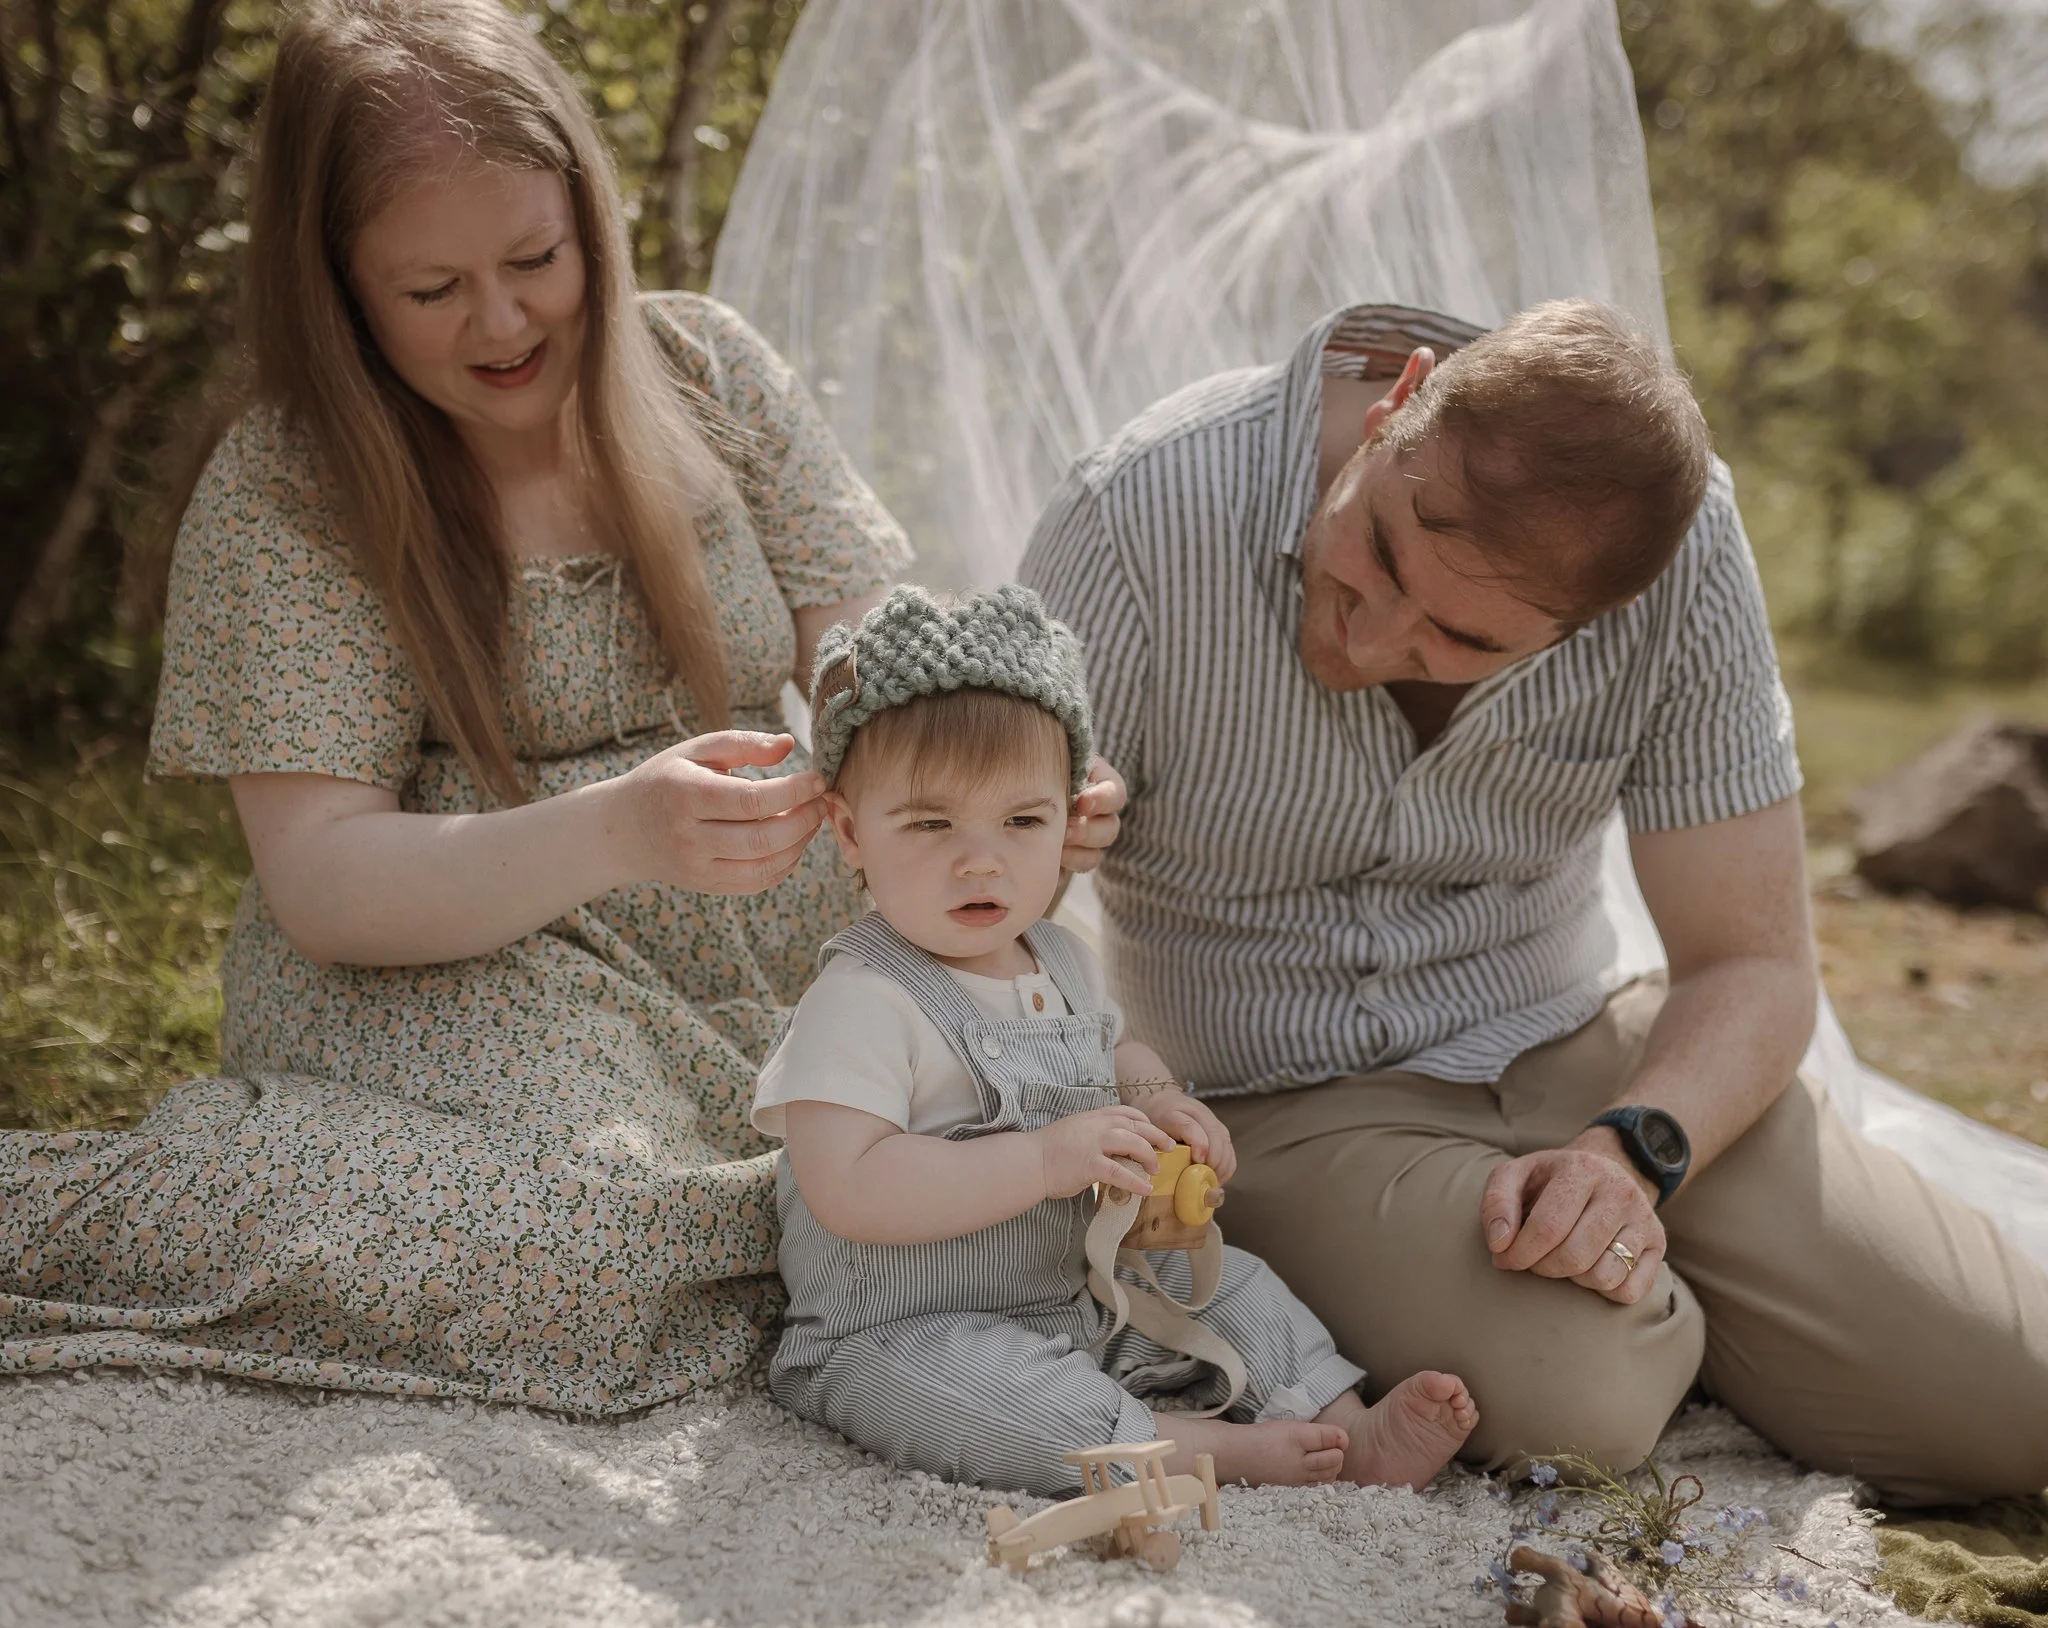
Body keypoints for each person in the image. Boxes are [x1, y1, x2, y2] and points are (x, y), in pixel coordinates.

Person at [0, 0, 1134, 1412]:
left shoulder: (706, 372)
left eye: (536, 260)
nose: (503, 321)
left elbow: (872, 663)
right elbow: (326, 884)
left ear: (590, 222)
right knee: (606, 1241)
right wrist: (619, 828)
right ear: (337, 287)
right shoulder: (292, 487)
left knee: (977, 1126)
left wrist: (1006, 769)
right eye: (432, 289)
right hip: (463, 958)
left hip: (758, 926)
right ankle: (97, 1203)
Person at [1021, 298, 2048, 1506]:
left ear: (1589, 627)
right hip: (1284, 1100)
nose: (1371, 635)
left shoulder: (1682, 556)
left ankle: (1669, 1287)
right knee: (1587, 1397)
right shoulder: (1135, 513)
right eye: (1378, 547)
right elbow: (956, 896)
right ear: (1398, 404)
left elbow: (1750, 963)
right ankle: (1660, 1320)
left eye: (1460, 636)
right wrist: (1034, 834)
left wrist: (1632, 1152)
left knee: (2008, 1410)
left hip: (1591, 1048)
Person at [752, 584, 1479, 1496]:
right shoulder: (861, 998)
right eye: (931, 824)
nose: (981, 860)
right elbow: (850, 1188)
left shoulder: (1062, 958)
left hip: (1075, 1287)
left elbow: (1117, 1054)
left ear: (1068, 820)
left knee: (1231, 1282)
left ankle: (1344, 1422)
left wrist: (1159, 1103)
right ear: (851, 832)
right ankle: (1192, 1450)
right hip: (906, 1325)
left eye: (1023, 821)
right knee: (1002, 1408)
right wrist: (1044, 1160)